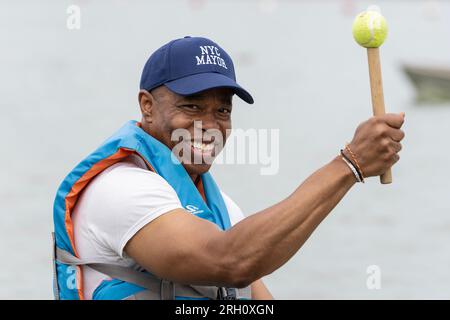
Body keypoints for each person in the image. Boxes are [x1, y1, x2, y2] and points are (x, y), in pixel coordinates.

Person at [52, 36, 405, 300]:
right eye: (192, 107)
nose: (210, 125)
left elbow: (255, 293)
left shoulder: (219, 210)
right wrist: (349, 165)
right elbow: (232, 262)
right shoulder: (121, 188)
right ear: (147, 106)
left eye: (222, 111)